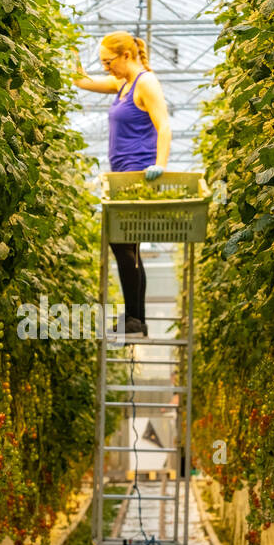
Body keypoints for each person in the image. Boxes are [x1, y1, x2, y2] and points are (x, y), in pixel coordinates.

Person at [74, 32, 171, 337]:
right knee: (129, 246)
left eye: (108, 61)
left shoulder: (146, 83)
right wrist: (70, 54)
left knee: (122, 243)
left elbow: (164, 124)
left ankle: (134, 319)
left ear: (126, 56)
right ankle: (136, 320)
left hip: (138, 174)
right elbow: (82, 82)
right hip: (122, 174)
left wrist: (161, 164)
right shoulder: (123, 84)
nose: (105, 68)